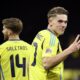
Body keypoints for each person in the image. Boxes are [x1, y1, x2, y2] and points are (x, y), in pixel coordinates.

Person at [29, 6, 80, 80]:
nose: (63, 25)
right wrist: (70, 49)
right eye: (60, 21)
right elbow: (46, 63)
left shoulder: (41, 34)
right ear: (50, 21)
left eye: (65, 22)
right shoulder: (51, 38)